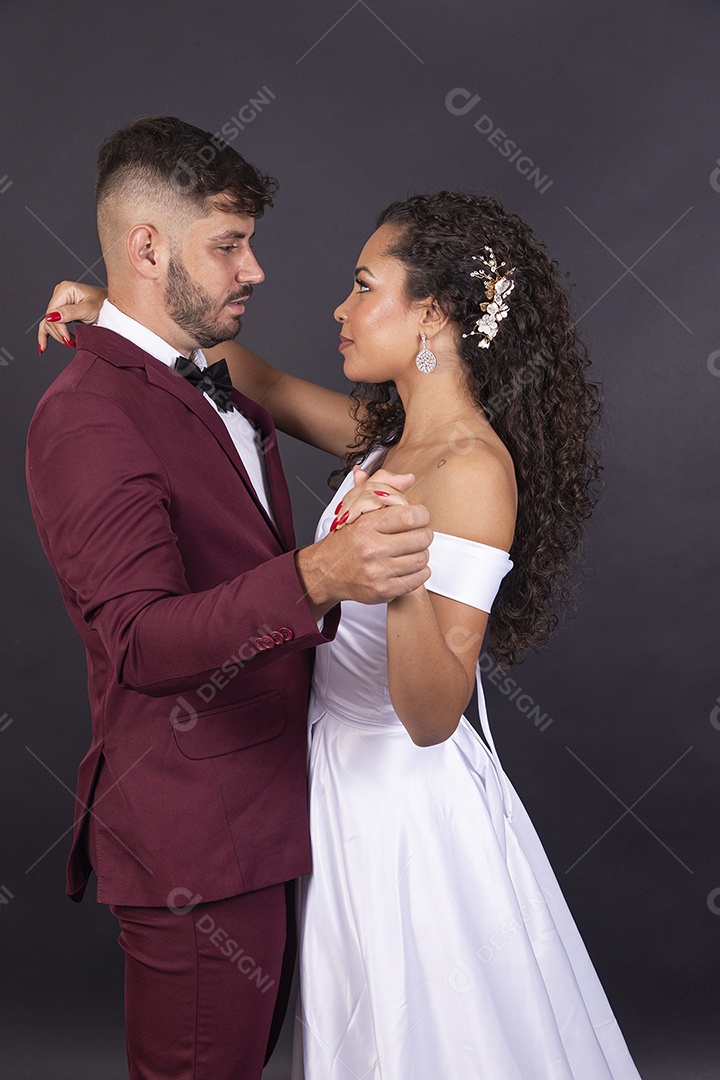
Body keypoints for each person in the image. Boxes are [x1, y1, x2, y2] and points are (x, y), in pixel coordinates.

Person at [40, 191, 642, 1079]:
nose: (340, 308)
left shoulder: (471, 468)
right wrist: (119, 313)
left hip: (401, 813)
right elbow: (264, 383)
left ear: (433, 314)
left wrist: (392, 581)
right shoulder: (386, 435)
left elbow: (435, 714)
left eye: (365, 288)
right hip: (326, 789)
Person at [26, 116, 433, 1080]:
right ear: (147, 247)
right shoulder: (86, 417)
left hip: (269, 825)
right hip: (191, 849)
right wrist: (321, 575)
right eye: (229, 245)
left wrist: (113, 311)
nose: (254, 271)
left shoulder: (212, 384)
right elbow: (141, 641)